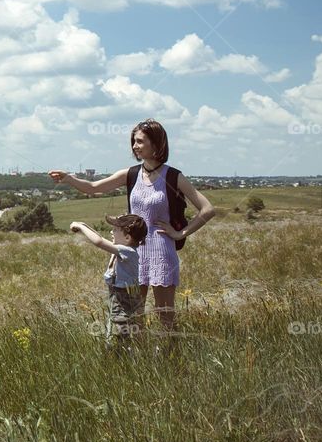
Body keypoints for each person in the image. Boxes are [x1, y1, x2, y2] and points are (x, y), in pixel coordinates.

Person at [49, 119, 216, 334]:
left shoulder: (173, 176)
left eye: (140, 141)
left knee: (165, 314)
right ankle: (139, 356)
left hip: (162, 252)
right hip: (134, 251)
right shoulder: (131, 174)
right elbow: (93, 188)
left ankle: (170, 356)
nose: (134, 146)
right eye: (133, 141)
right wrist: (69, 178)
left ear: (156, 144)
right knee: (134, 313)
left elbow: (207, 209)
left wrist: (179, 233)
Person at [70, 214, 147, 347]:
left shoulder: (127, 251)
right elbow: (101, 238)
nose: (111, 231)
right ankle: (124, 354)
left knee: (118, 337)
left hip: (122, 301)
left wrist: (81, 227)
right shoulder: (124, 249)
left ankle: (120, 358)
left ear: (127, 237)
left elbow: (99, 241)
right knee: (116, 330)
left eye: (116, 230)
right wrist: (83, 224)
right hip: (118, 299)